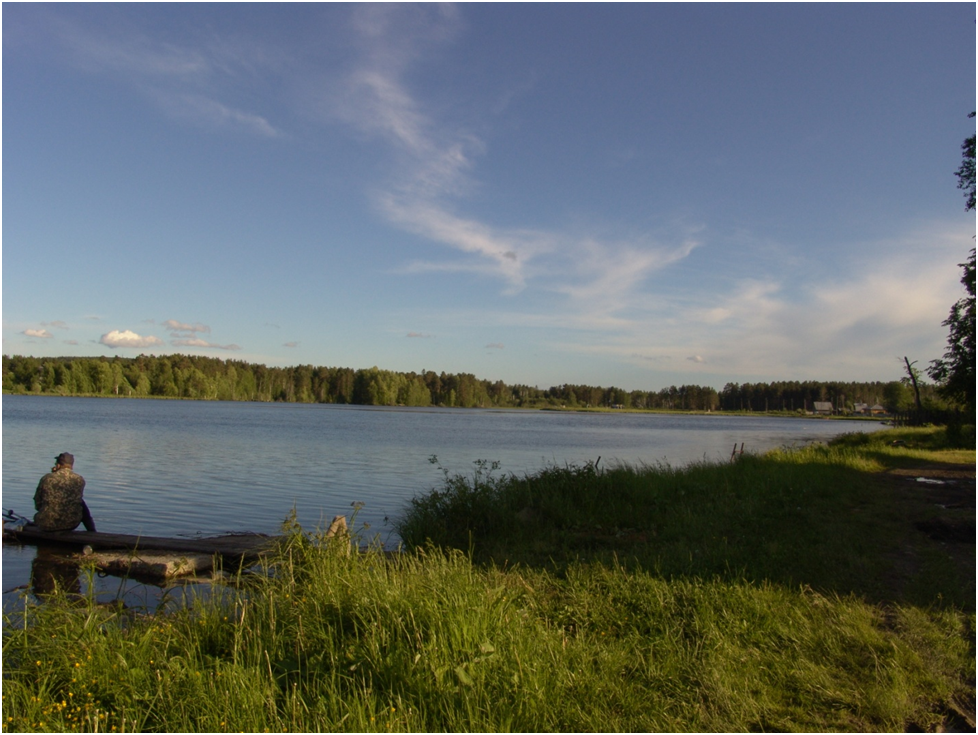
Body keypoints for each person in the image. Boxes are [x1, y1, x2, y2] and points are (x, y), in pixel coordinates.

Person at [33, 452, 96, 532]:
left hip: (47, 524)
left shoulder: (47, 478)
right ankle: (92, 531)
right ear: (71, 465)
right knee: (80, 502)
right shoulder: (79, 479)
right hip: (71, 524)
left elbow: (38, 504)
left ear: (58, 465)